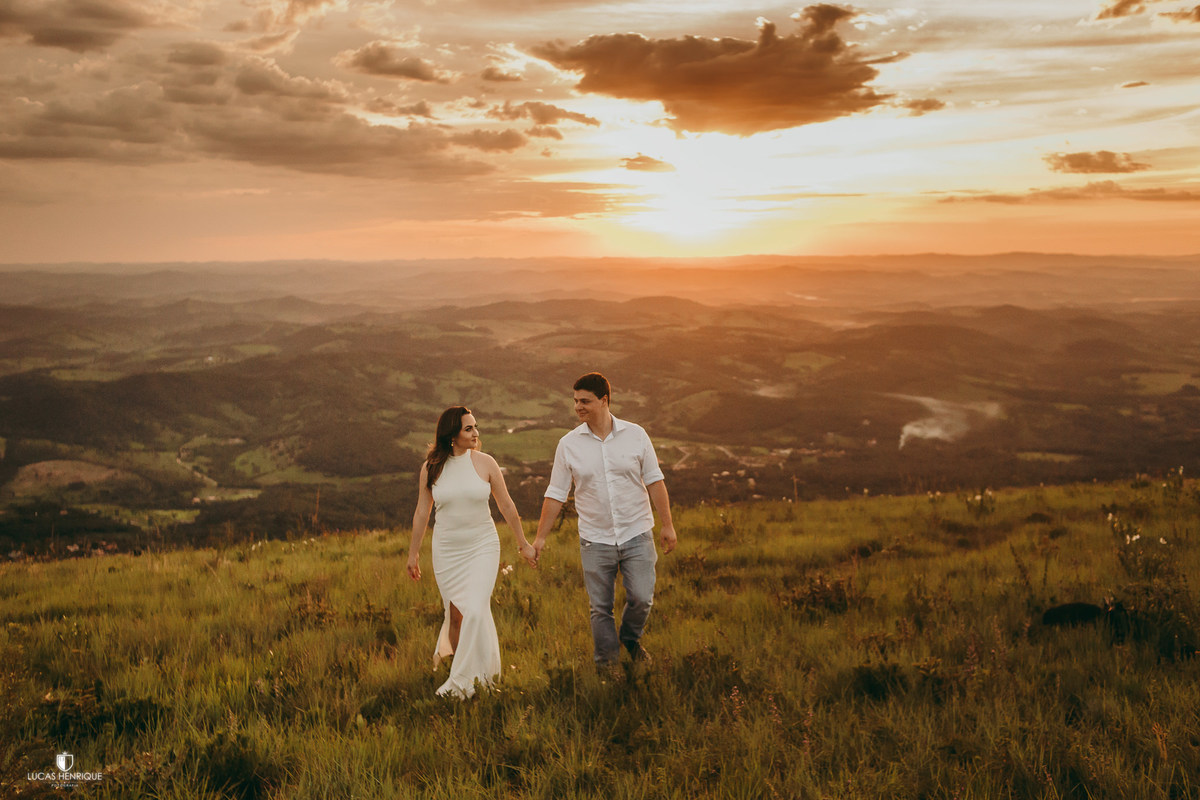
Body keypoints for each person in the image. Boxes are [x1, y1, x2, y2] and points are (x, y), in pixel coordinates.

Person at [532, 372, 678, 669]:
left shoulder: (636, 435)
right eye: (575, 401)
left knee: (641, 598)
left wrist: (667, 524)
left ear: (604, 400)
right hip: (594, 539)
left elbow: (654, 481)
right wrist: (540, 538)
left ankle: (630, 637)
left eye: (584, 401)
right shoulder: (568, 445)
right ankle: (606, 667)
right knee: (600, 608)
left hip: (636, 532)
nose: (578, 407)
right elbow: (556, 494)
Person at [407, 406, 537, 698]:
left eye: (476, 427)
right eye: (469, 429)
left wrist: (523, 543)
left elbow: (507, 506)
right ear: (452, 434)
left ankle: (474, 681)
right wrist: (413, 554)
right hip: (447, 549)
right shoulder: (431, 468)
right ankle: (460, 673)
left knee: (476, 610)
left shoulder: (486, 463)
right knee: (455, 616)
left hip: (482, 545)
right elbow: (421, 512)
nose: (476, 433)